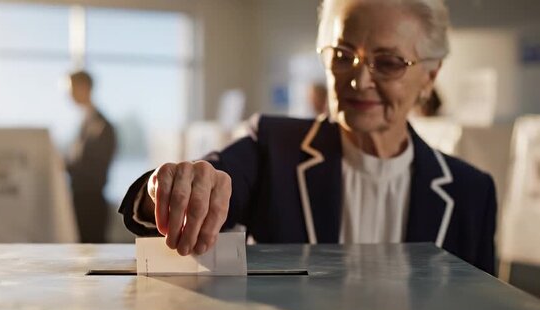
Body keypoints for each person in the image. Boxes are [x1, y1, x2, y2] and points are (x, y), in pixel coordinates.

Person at [119, 0, 497, 274]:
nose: (358, 80)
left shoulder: (470, 193)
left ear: (430, 76)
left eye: (387, 63)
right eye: (343, 55)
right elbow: (217, 178)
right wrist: (178, 189)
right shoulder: (273, 147)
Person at [67, 70, 116, 243]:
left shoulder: (101, 126)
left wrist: (67, 166)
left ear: (84, 88)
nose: (68, 94)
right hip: (81, 202)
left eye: (71, 88)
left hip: (91, 205)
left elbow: (95, 167)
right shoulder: (86, 122)